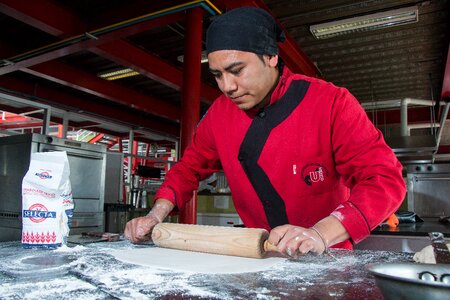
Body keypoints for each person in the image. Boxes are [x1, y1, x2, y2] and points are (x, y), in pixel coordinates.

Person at [124, 6, 406, 256]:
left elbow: (383, 180)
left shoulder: (331, 103)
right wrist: (155, 215)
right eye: (218, 75)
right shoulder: (218, 116)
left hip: (328, 257)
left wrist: (319, 233)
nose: (227, 87)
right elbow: (187, 170)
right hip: (256, 258)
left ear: (270, 56)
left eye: (237, 70)